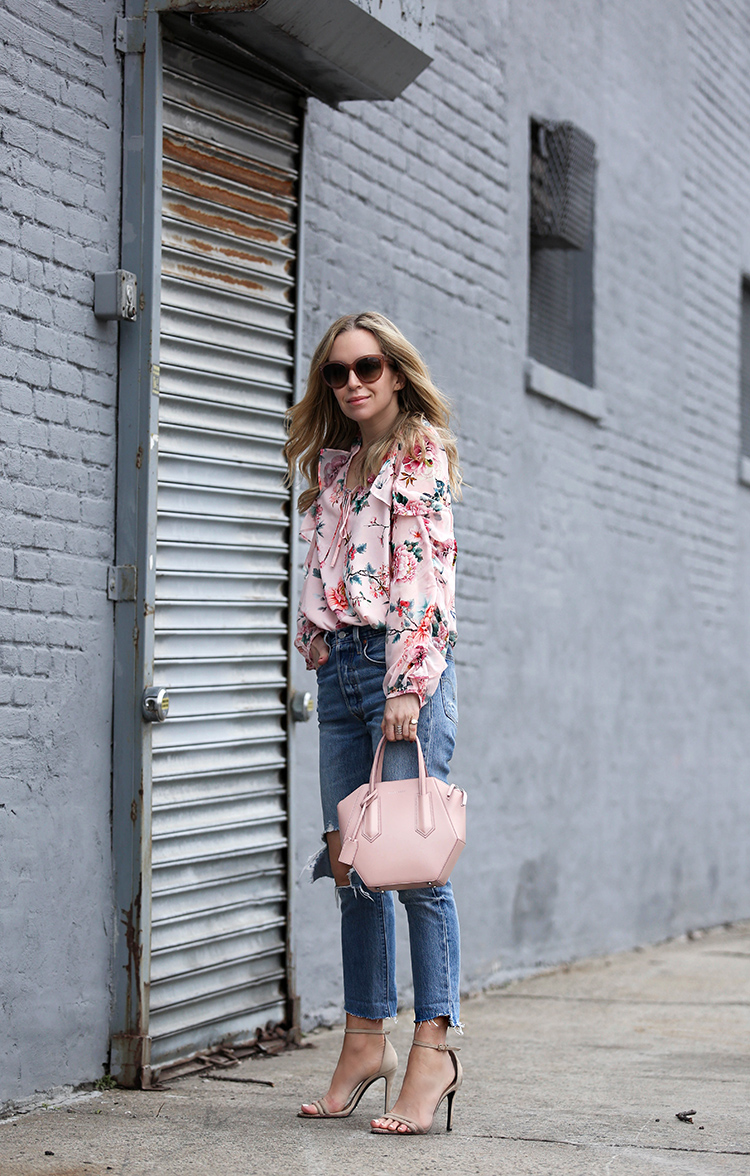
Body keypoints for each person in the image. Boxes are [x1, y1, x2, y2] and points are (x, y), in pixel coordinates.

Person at [284, 311, 463, 1136]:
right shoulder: (339, 467)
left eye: (367, 368)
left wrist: (407, 685)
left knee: (416, 868)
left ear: (395, 372)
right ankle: (366, 1041)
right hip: (345, 675)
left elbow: (423, 581)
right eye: (336, 373)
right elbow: (331, 568)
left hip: (400, 677)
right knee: (352, 865)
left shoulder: (419, 453)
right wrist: (314, 634)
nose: (351, 383)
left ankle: (434, 1049)